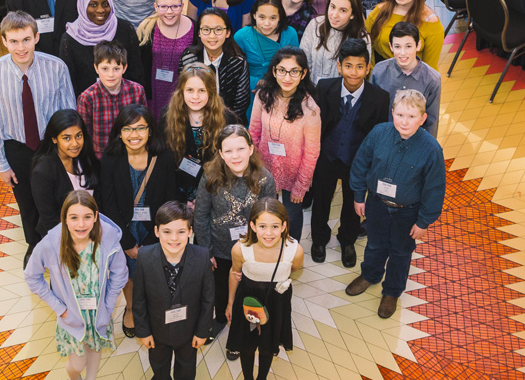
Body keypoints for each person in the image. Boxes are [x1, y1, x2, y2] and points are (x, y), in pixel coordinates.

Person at [0, 12, 75, 266]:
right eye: (13, 41)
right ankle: (34, 245)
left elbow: (68, 113)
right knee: (26, 199)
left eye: (25, 39)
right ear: (3, 41)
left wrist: (69, 152)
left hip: (50, 146)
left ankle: (59, 242)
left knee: (56, 197)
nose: (20, 47)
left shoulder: (56, 68)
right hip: (17, 147)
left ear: (36, 37)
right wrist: (0, 164)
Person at [24, 190, 128, 380]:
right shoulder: (51, 243)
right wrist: (59, 307)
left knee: (94, 349)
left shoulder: (108, 238)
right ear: (65, 219)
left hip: (98, 313)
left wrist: (108, 306)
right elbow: (32, 276)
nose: (81, 224)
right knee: (76, 362)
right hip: (71, 316)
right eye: (74, 217)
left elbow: (120, 274)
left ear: (95, 216)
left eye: (87, 217)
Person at [347, 89, 446, 319]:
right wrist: (359, 195)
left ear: (423, 119)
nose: (404, 121)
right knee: (374, 244)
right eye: (400, 115)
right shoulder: (378, 133)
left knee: (401, 252)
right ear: (392, 113)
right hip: (377, 204)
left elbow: (434, 190)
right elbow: (361, 164)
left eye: (412, 117)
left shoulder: (432, 150)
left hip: (407, 212)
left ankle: (391, 291)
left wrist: (424, 222)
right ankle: (370, 275)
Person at [194, 124, 277, 353]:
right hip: (220, 249)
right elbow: (200, 216)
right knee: (221, 288)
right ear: (220, 153)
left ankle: (243, 328)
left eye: (240, 148)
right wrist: (207, 251)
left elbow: (272, 219)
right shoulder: (210, 177)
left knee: (249, 290)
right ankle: (220, 317)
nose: (235, 155)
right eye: (228, 150)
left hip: (253, 251)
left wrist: (264, 252)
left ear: (251, 149)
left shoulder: (265, 179)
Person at [100, 105, 178, 339]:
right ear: (119, 132)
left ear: (150, 130)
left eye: (140, 128)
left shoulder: (163, 156)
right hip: (122, 230)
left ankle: (152, 308)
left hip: (156, 229)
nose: (134, 135)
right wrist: (127, 242)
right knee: (127, 273)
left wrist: (154, 237)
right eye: (128, 129)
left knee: (156, 273)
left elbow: (170, 198)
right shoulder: (111, 158)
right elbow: (108, 204)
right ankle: (132, 307)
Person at [310, 39, 389, 266]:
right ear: (339, 66)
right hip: (327, 156)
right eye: (348, 66)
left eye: (360, 67)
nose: (354, 73)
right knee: (321, 200)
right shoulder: (325, 88)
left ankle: (347, 241)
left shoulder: (379, 98)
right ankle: (319, 239)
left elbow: (378, 135)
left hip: (357, 160)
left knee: (353, 204)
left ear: (368, 67)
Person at [133, 201, 214, 380]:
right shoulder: (145, 257)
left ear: (190, 231)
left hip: (189, 331)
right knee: (158, 362)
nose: (174, 239)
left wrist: (202, 331)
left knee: (187, 363)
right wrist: (143, 330)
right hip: (157, 329)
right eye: (167, 231)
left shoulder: (202, 256)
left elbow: (208, 299)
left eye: (181, 231)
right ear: (157, 231)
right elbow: (138, 298)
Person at [226, 197, 303, 380]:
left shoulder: (294, 250)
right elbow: (235, 274)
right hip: (249, 301)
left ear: (284, 226)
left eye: (275, 226)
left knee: (268, 346)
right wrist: (230, 302)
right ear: (252, 226)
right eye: (262, 226)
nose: (268, 233)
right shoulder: (241, 249)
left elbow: (295, 268)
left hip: (275, 303)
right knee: (248, 345)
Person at [249, 47, 320, 242]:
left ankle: (290, 255)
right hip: (264, 167)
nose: (287, 77)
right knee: (263, 213)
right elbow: (254, 132)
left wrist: (301, 186)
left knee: (291, 216)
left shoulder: (310, 108)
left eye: (294, 71)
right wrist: (253, 168)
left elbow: (312, 153)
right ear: (274, 71)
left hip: (294, 173)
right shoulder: (263, 96)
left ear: (303, 73)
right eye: (282, 70)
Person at [160, 64, 237, 204]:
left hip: (216, 193)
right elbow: (165, 165)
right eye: (190, 90)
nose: (195, 97)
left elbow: (230, 165)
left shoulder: (227, 118)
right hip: (179, 194)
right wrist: (180, 200)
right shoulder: (167, 117)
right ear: (181, 91)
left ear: (211, 92)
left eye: (202, 90)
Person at [59, 0, 144, 97]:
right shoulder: (70, 38)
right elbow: (69, 81)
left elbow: (136, 71)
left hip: (124, 101)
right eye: (93, 5)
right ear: (83, 5)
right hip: (88, 105)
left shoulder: (125, 29)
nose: (100, 10)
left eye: (105, 4)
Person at [31, 110, 100, 239]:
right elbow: (49, 218)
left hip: (92, 234)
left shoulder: (87, 159)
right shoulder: (43, 171)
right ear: (54, 139)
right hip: (60, 238)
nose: (75, 143)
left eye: (78, 136)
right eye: (67, 138)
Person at [366, 0, 444, 69]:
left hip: (411, 80)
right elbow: (365, 46)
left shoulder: (431, 24)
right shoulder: (379, 11)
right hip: (378, 75)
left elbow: (430, 70)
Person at [77, 41, 148, 159]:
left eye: (116, 68)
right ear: (96, 68)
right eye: (105, 69)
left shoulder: (137, 91)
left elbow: (144, 125)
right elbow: (85, 135)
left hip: (131, 154)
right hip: (101, 158)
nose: (111, 74)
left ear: (124, 68)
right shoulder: (87, 98)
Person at [179, 8, 251, 123]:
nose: (212, 36)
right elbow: (182, 93)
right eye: (206, 30)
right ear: (199, 32)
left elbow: (241, 103)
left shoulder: (238, 62)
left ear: (227, 33)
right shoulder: (189, 58)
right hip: (192, 120)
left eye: (218, 30)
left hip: (227, 122)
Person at [234, 0, 299, 120]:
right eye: (262, 17)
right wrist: (255, 83)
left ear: (280, 17)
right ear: (254, 15)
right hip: (251, 94)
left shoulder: (290, 34)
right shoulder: (241, 37)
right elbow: (235, 71)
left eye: (273, 18)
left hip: (284, 92)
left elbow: (297, 66)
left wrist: (273, 82)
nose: (267, 23)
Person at [370, 21, 441, 137]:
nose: (403, 53)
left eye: (408, 46)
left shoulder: (432, 79)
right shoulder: (379, 72)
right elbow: (372, 112)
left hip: (415, 142)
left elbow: (432, 121)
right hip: (384, 139)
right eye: (397, 46)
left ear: (418, 45)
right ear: (391, 47)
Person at [137, 0, 195, 119]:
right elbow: (140, 65)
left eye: (175, 6)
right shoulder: (146, 28)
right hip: (154, 92)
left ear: (182, 5)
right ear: (155, 7)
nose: (169, 12)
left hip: (181, 92)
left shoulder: (194, 29)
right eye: (163, 7)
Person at [300, 0, 371, 82]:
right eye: (332, 7)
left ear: (352, 14)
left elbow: (359, 74)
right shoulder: (315, 24)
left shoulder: (362, 37)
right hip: (312, 90)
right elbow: (303, 61)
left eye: (343, 10)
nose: (334, 15)